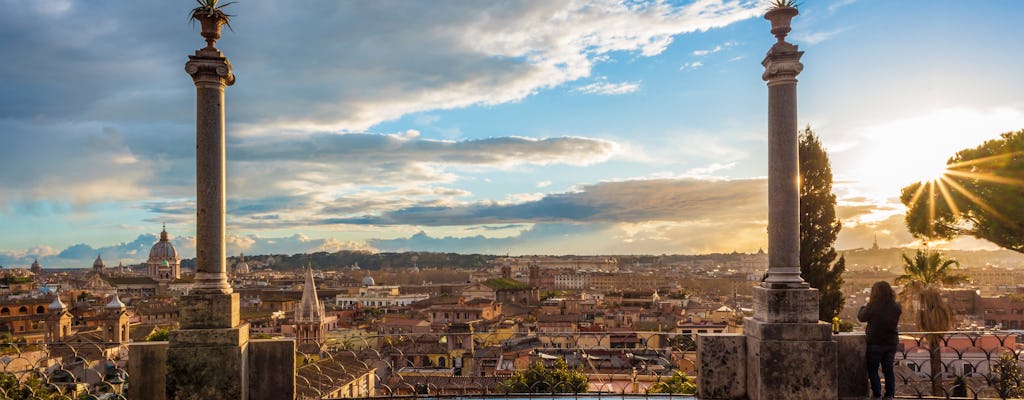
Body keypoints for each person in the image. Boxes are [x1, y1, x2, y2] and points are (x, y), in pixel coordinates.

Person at [858, 281, 902, 399]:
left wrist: (864, 306)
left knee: (873, 369)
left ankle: (877, 394)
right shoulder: (896, 306)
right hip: (891, 342)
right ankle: (889, 395)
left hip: (875, 342)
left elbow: (862, 317)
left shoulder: (872, 306)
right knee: (888, 370)